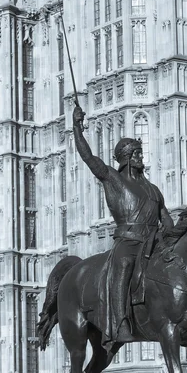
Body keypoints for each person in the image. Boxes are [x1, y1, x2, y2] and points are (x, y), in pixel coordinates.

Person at [73, 104, 174, 347]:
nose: (142, 158)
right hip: (128, 242)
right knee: (124, 263)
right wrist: (76, 126)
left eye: (141, 153)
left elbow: (166, 218)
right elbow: (88, 158)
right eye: (137, 154)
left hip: (153, 243)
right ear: (127, 158)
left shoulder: (152, 189)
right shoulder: (114, 179)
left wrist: (172, 234)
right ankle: (120, 323)